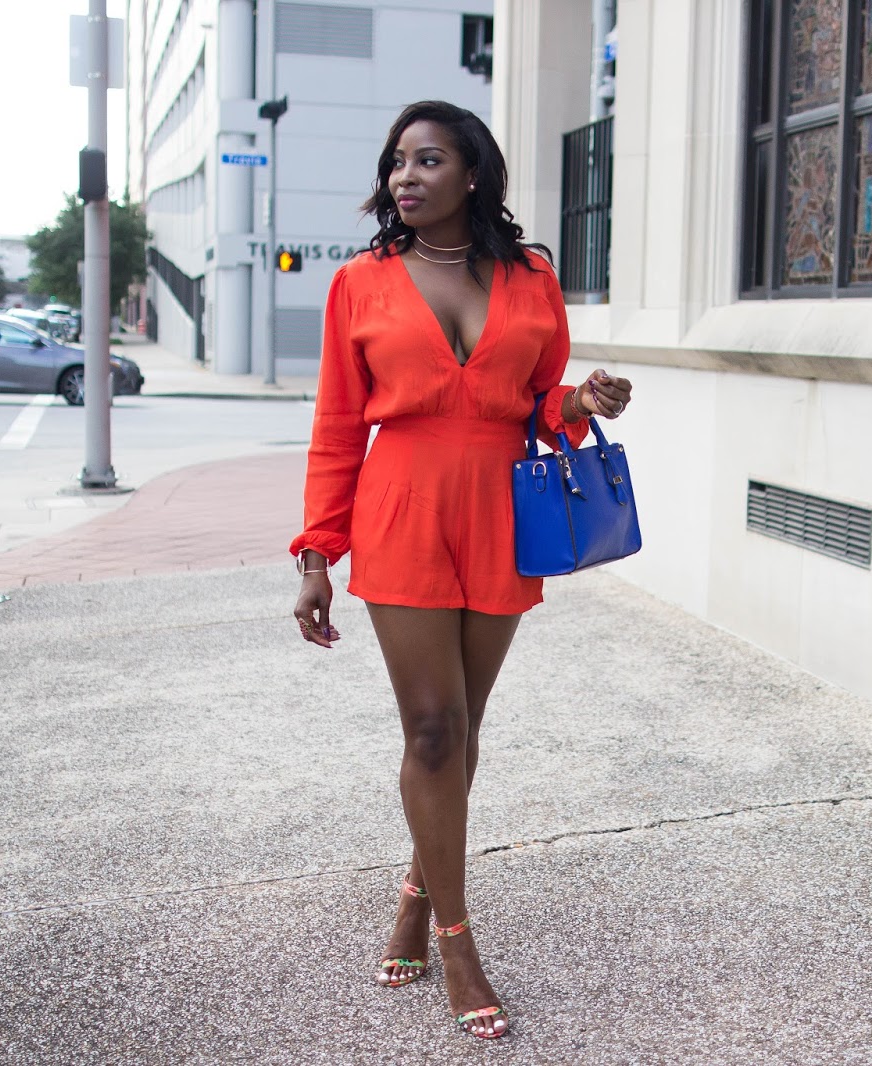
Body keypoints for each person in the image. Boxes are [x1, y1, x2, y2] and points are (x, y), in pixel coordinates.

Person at [289, 100, 634, 1040]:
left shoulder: (531, 278)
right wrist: (319, 554)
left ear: (473, 174)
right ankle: (456, 938)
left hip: (498, 514)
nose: (405, 177)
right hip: (399, 510)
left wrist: (585, 399)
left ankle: (411, 890)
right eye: (397, 162)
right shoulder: (361, 283)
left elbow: (540, 404)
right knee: (434, 732)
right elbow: (334, 425)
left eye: (428, 160)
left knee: (468, 728)